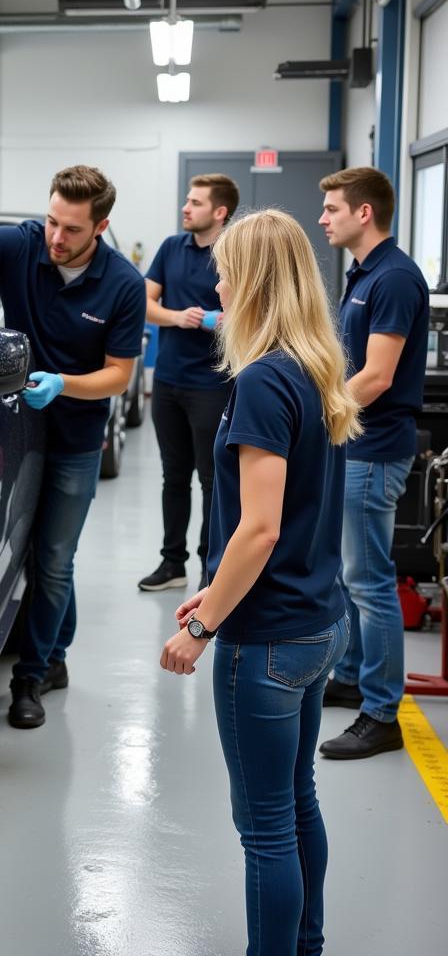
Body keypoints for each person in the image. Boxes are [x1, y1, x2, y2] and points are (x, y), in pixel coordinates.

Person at [160, 210, 359, 956]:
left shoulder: (264, 380)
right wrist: (213, 591)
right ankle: (305, 944)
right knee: (298, 801)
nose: (217, 280)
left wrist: (203, 626)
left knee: (266, 826)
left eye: (227, 270)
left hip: (267, 641)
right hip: (318, 621)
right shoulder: (313, 367)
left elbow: (260, 528)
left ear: (253, 282)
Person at [0, 165, 146, 729]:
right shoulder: (22, 244)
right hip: (15, 430)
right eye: (52, 222)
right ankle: (55, 652)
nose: (56, 238)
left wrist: (65, 384)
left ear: (101, 227)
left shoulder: (123, 285)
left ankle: (31, 675)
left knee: (57, 559)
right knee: (29, 550)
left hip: (74, 440)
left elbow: (118, 376)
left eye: (71, 230)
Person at [317, 166, 430, 760]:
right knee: (350, 574)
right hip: (355, 443)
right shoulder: (362, 273)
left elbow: (378, 376)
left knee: (370, 581)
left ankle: (382, 712)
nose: (323, 217)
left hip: (375, 446)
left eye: (332, 208)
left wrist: (314, 417)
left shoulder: (394, 278)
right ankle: (356, 674)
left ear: (364, 213)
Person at [139, 173, 240, 593]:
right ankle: (172, 563)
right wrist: (178, 317)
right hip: (168, 381)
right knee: (173, 476)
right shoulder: (170, 248)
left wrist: (218, 320)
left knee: (213, 480)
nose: (186, 208)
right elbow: (143, 302)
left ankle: (211, 569)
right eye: (187, 201)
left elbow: (252, 308)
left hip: (212, 384)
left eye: (195, 203)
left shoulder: (233, 252)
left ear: (219, 212)